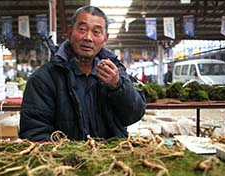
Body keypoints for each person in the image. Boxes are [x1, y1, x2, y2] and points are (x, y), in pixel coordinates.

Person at [19, 6, 146, 141]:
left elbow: (134, 115)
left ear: (105, 38)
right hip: (65, 160)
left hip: (112, 158)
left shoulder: (115, 71)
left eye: (96, 32)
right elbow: (34, 133)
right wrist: (72, 156)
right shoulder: (43, 79)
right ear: (70, 32)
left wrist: (118, 86)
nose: (88, 38)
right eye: (82, 29)